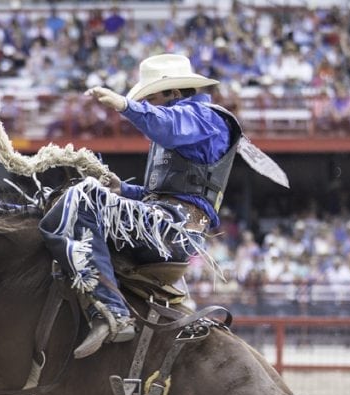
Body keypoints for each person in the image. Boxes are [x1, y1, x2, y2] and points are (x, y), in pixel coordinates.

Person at [38, 53, 242, 358]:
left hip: (173, 229)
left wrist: (124, 105)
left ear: (174, 93)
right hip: (164, 220)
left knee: (81, 198)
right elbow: (161, 191)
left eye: (152, 97)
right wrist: (123, 189)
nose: (149, 105)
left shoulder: (204, 117)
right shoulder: (184, 126)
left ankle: (111, 310)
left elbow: (167, 126)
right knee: (80, 198)